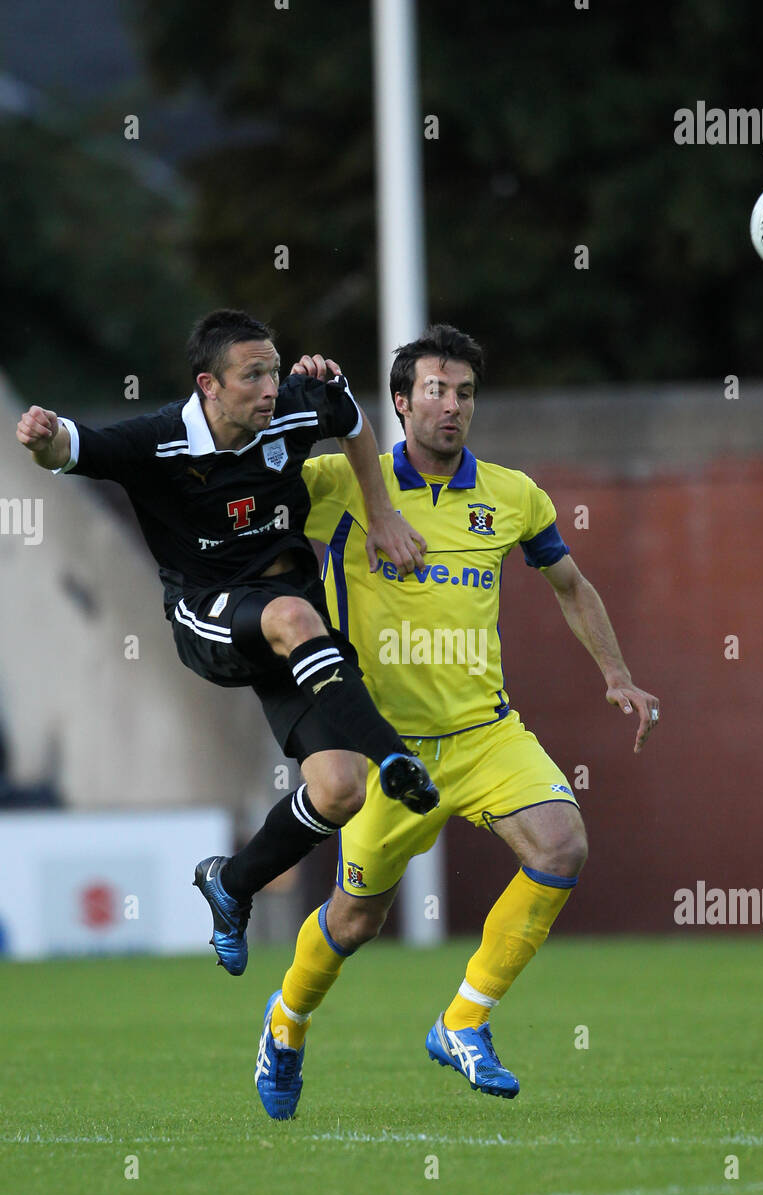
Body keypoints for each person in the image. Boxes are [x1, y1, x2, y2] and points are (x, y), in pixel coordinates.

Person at [251, 323, 660, 1119]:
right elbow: (251, 462)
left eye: (465, 392)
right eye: (434, 390)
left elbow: (571, 586)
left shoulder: (512, 495)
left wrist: (618, 675)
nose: (451, 406)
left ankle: (464, 1020)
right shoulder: (337, 482)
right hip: (382, 752)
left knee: (563, 845)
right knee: (356, 919)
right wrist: (302, 391)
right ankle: (287, 1019)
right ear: (399, 404)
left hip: (484, 735)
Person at [15, 309, 440, 976]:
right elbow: (74, 447)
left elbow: (349, 415)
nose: (271, 387)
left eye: (274, 371)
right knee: (298, 618)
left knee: (338, 791)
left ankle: (231, 883)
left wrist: (381, 513)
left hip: (285, 628)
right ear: (209, 386)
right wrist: (42, 438)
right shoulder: (160, 441)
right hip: (207, 619)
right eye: (252, 376)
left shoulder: (296, 408)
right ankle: (396, 758)